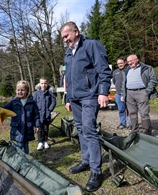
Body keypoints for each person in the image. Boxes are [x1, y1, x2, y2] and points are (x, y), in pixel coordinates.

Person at [60, 21, 112, 192]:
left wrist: (103, 92)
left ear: (76, 32)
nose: (65, 40)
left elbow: (104, 70)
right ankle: (86, 160)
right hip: (74, 98)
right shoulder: (68, 53)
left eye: (66, 36)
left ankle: (96, 171)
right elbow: (67, 77)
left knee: (89, 130)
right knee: (80, 129)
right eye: (63, 38)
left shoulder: (92, 45)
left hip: (90, 96)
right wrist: (68, 97)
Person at [121, 54, 158, 135]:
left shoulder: (147, 68)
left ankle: (147, 132)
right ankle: (134, 131)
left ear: (137, 60)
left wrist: (147, 91)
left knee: (144, 113)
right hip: (129, 93)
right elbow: (123, 83)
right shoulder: (126, 70)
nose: (129, 63)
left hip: (142, 92)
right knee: (132, 113)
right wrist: (123, 94)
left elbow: (153, 80)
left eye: (131, 61)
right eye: (128, 62)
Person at [2, 80, 40, 154]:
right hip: (17, 129)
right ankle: (19, 160)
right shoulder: (13, 102)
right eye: (18, 90)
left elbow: (36, 115)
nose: (20, 92)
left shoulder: (32, 103)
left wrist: (37, 125)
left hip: (27, 129)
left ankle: (26, 159)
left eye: (22, 90)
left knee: (25, 145)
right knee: (18, 146)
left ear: (27, 91)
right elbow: (4, 109)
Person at [33, 77, 56, 150]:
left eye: (45, 83)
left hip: (47, 114)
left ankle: (45, 141)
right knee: (39, 128)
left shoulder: (50, 93)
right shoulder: (36, 93)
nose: (43, 85)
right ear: (39, 84)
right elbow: (33, 103)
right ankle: (40, 142)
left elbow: (53, 102)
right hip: (38, 115)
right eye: (42, 83)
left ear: (48, 84)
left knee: (46, 128)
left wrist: (49, 109)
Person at [112, 57, 130, 129]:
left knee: (130, 109)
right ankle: (123, 123)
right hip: (118, 93)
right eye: (118, 64)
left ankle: (132, 124)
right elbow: (114, 81)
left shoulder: (129, 70)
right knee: (121, 109)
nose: (120, 65)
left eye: (121, 63)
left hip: (128, 93)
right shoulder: (115, 72)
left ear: (125, 62)